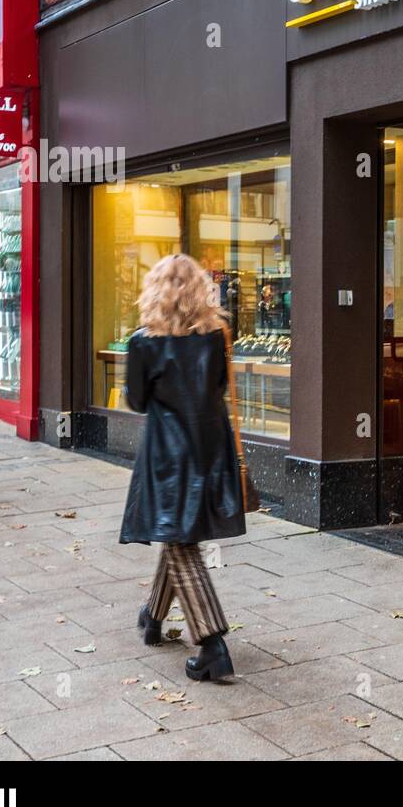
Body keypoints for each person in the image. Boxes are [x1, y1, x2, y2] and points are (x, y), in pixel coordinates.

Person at [120, 254, 246, 682]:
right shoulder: (215, 337)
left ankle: (213, 645)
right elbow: (220, 388)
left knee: (179, 537)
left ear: (155, 291)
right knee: (179, 532)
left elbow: (136, 401)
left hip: (167, 455)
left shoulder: (144, 342)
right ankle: (153, 616)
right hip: (210, 446)